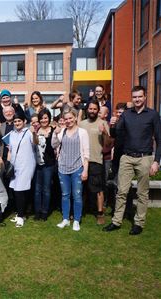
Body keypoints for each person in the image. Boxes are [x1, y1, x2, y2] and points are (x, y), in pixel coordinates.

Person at [103, 86, 161, 235]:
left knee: (142, 193)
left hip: (145, 158)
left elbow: (159, 140)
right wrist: (113, 124)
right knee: (121, 191)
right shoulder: (127, 115)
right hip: (127, 157)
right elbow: (115, 134)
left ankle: (139, 223)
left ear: (145, 97)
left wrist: (156, 161)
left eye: (139, 97)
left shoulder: (153, 115)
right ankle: (116, 221)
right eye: (134, 97)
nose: (137, 99)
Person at [52, 109, 89, 232]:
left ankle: (77, 220)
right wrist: (54, 133)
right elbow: (54, 145)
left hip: (77, 168)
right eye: (66, 119)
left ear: (75, 118)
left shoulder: (82, 132)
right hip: (63, 168)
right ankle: (66, 219)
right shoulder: (62, 131)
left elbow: (86, 153)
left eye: (70, 118)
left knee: (77, 196)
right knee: (65, 195)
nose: (68, 121)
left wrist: (85, 170)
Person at [79, 100, 111, 225]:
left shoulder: (103, 123)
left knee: (98, 189)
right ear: (87, 110)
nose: (92, 111)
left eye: (94, 109)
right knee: (82, 189)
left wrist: (104, 133)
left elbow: (107, 144)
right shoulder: (81, 124)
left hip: (96, 160)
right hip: (81, 161)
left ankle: (100, 213)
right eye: (90, 109)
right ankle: (80, 212)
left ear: (98, 111)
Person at [8, 113, 38, 227]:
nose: (17, 123)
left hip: (27, 164)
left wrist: (34, 132)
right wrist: (8, 163)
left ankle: (20, 217)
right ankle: (21, 213)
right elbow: (11, 150)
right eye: (15, 121)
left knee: (19, 190)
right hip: (15, 165)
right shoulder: (12, 134)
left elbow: (36, 142)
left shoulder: (29, 132)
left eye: (19, 121)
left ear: (24, 121)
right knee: (15, 189)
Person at [33, 110, 56, 221]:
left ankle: (45, 211)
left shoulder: (53, 130)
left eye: (46, 118)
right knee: (37, 189)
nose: (43, 120)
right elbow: (35, 143)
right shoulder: (37, 130)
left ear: (49, 118)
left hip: (49, 164)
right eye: (41, 118)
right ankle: (37, 211)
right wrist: (34, 134)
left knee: (46, 189)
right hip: (38, 164)